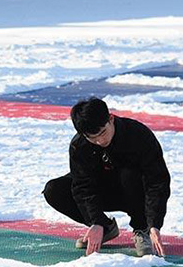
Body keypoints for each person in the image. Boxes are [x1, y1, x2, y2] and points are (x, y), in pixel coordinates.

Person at [43, 97, 170, 257]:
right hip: (103, 190)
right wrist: (96, 221)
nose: (99, 141)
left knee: (129, 174)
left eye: (102, 133)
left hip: (133, 190)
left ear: (111, 119)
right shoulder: (79, 145)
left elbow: (157, 181)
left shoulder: (138, 135)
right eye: (92, 138)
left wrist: (154, 224)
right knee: (54, 190)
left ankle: (141, 229)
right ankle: (104, 228)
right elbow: (83, 187)